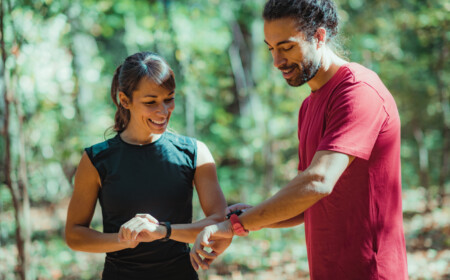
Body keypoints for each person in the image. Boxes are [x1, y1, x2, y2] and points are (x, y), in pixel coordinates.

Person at [190, 0, 409, 279]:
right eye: (271, 49)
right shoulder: (309, 107)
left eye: (286, 46)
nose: (277, 61)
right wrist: (249, 217)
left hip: (371, 272)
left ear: (319, 37)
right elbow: (307, 205)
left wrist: (232, 226)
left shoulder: (357, 92)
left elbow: (318, 182)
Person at [65, 51, 228, 280]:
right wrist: (123, 240)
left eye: (169, 98)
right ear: (125, 100)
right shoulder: (96, 159)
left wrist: (163, 231)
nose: (163, 111)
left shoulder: (195, 153)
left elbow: (219, 222)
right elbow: (74, 234)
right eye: (151, 102)